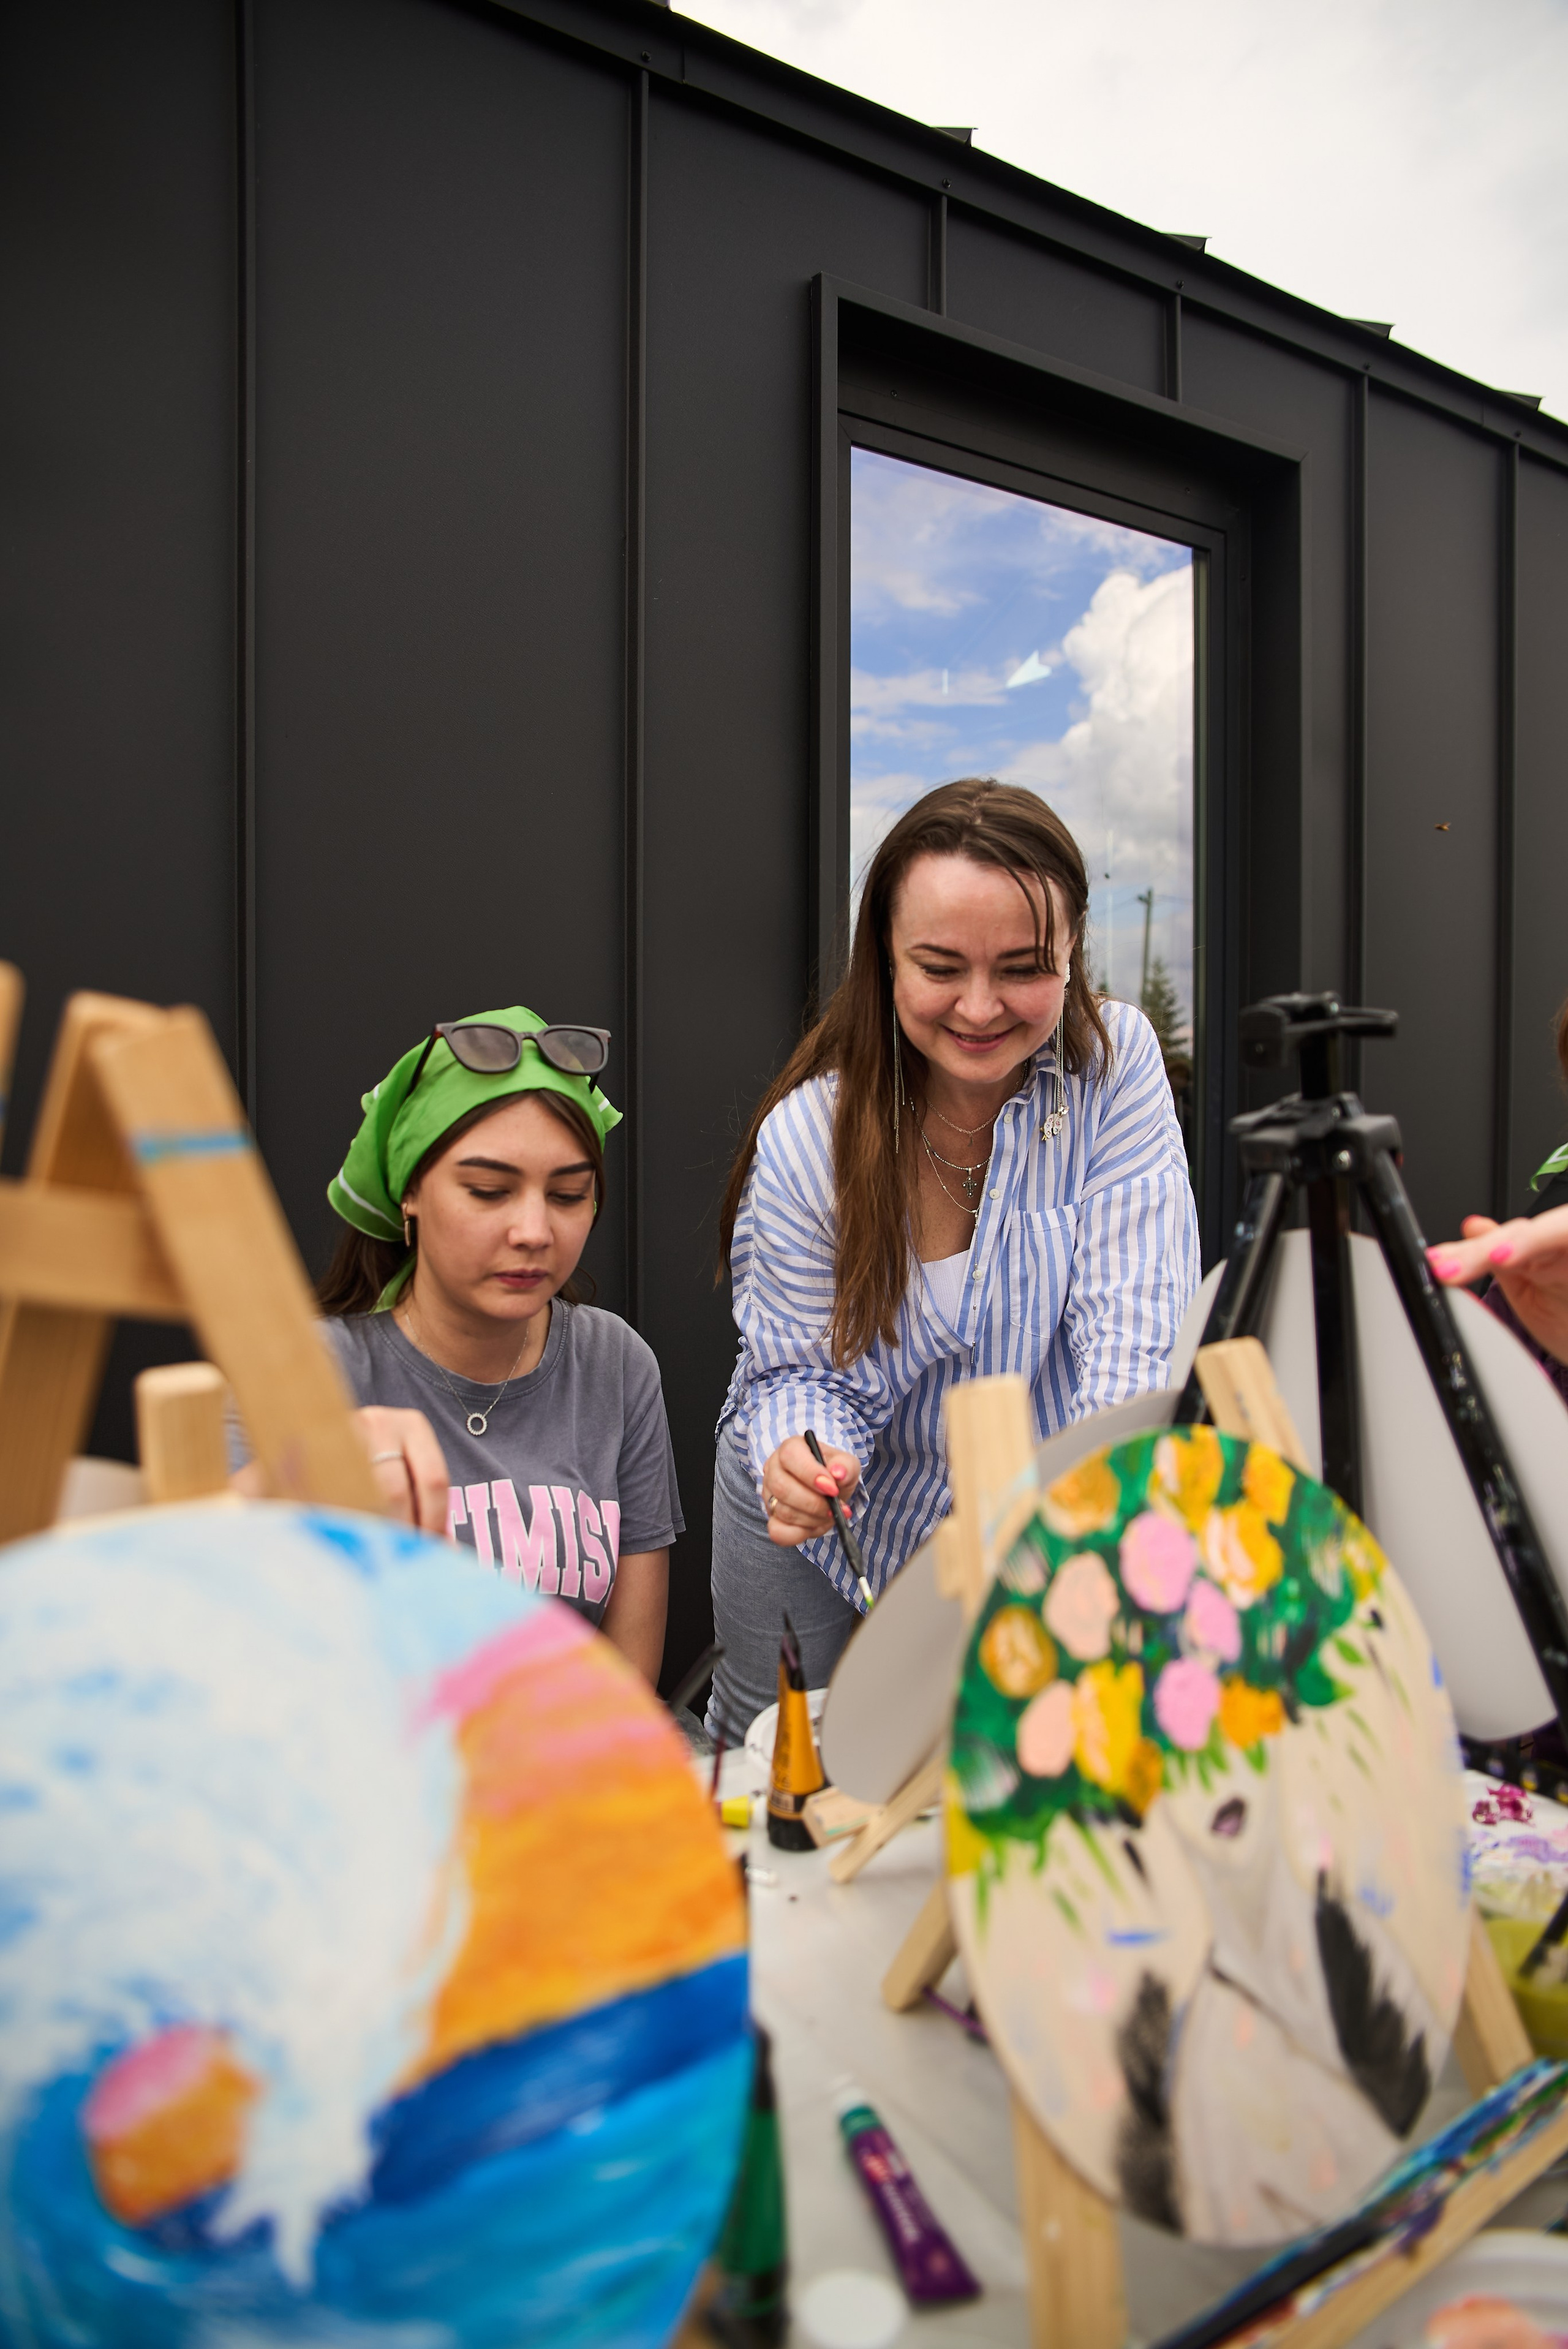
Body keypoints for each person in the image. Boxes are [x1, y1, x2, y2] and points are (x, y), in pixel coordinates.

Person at [707, 779, 1200, 1741]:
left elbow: (1133, 1343)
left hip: (1033, 1519)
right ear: (884, 961)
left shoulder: (1116, 1072)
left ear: (1071, 955)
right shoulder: (811, 1136)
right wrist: (807, 1452)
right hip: (825, 1527)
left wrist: (1085, 1553)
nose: (981, 1007)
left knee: (992, 1773)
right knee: (782, 1746)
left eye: (1023, 967)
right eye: (940, 966)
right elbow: (796, 1371)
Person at [252, 1007, 680, 1682]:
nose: (534, 1230)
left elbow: (629, 1679)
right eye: (488, 1191)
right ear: (409, 1191)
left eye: (568, 1195)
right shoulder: (313, 1371)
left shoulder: (616, 1366)